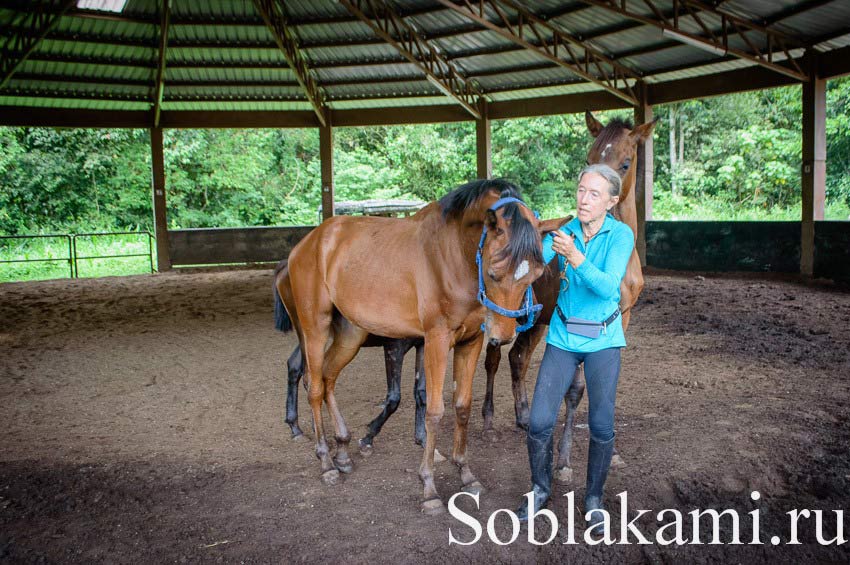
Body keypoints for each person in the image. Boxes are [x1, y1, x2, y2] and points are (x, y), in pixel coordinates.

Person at [516, 163, 635, 534]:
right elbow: (536, 268)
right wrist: (516, 269)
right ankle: (540, 488)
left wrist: (575, 256)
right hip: (563, 338)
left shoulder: (621, 236)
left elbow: (608, 288)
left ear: (612, 201)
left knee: (601, 424)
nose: (584, 199)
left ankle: (595, 500)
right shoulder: (566, 231)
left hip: (602, 340)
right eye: (581, 190)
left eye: (594, 194)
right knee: (538, 421)